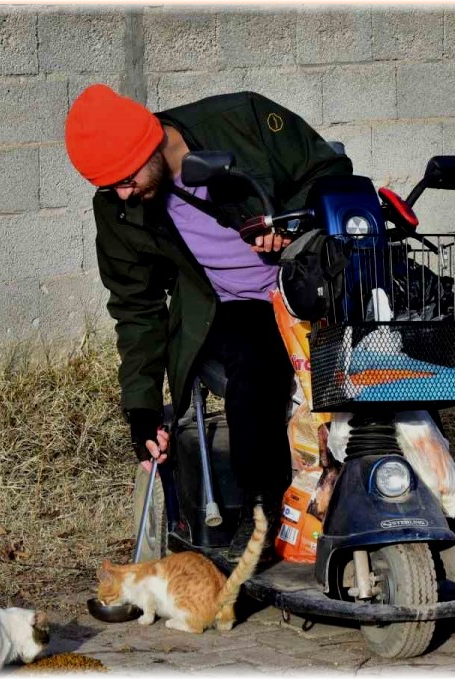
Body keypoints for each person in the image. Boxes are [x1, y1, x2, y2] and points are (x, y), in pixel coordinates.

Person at [63, 84, 354, 559]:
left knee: (384, 346)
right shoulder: (121, 206)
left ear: (149, 144)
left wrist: (287, 223)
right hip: (232, 303)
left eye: (125, 177)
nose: (122, 193)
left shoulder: (244, 118)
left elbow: (330, 172)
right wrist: (141, 409)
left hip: (314, 281)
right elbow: (136, 306)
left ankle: (432, 500)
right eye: (108, 185)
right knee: (256, 362)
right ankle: (261, 516)